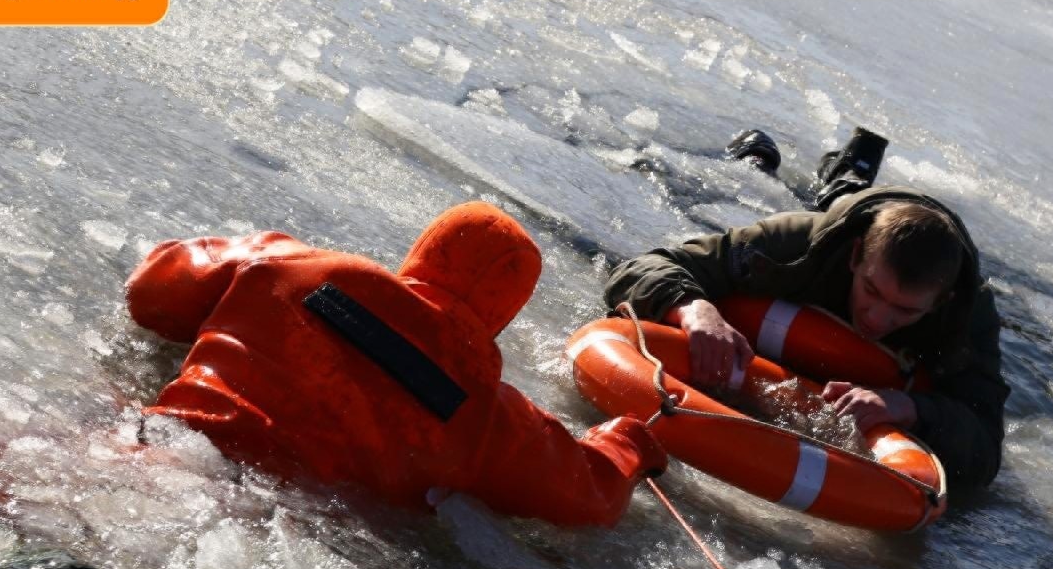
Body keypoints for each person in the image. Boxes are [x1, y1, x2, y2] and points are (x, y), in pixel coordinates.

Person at [126, 201, 666, 526]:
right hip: (264, 519)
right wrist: (630, 442)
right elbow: (585, 497)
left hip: (153, 450)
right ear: (500, 318)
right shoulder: (487, 418)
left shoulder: (284, 262)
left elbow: (153, 288)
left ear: (422, 254)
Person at [605, 128, 1009, 491]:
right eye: (870, 290)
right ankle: (796, 165)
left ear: (939, 302)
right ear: (855, 258)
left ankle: (850, 175)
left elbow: (985, 451)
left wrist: (910, 408)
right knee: (835, 203)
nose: (876, 318)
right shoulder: (803, 244)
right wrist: (693, 309)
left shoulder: (967, 317)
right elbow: (641, 266)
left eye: (904, 311)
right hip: (844, 222)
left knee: (843, 202)